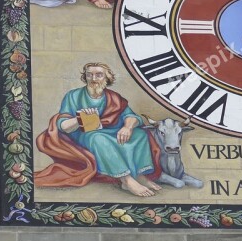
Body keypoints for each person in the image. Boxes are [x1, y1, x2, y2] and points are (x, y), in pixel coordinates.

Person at [34, 62, 163, 197]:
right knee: (98, 138)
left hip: (110, 130)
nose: (94, 79)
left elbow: (132, 116)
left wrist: (127, 127)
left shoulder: (113, 97)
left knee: (140, 134)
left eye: (99, 75)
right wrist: (80, 119)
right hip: (85, 134)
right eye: (89, 75)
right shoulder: (73, 96)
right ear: (85, 77)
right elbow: (62, 125)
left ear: (107, 78)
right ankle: (126, 180)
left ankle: (139, 175)